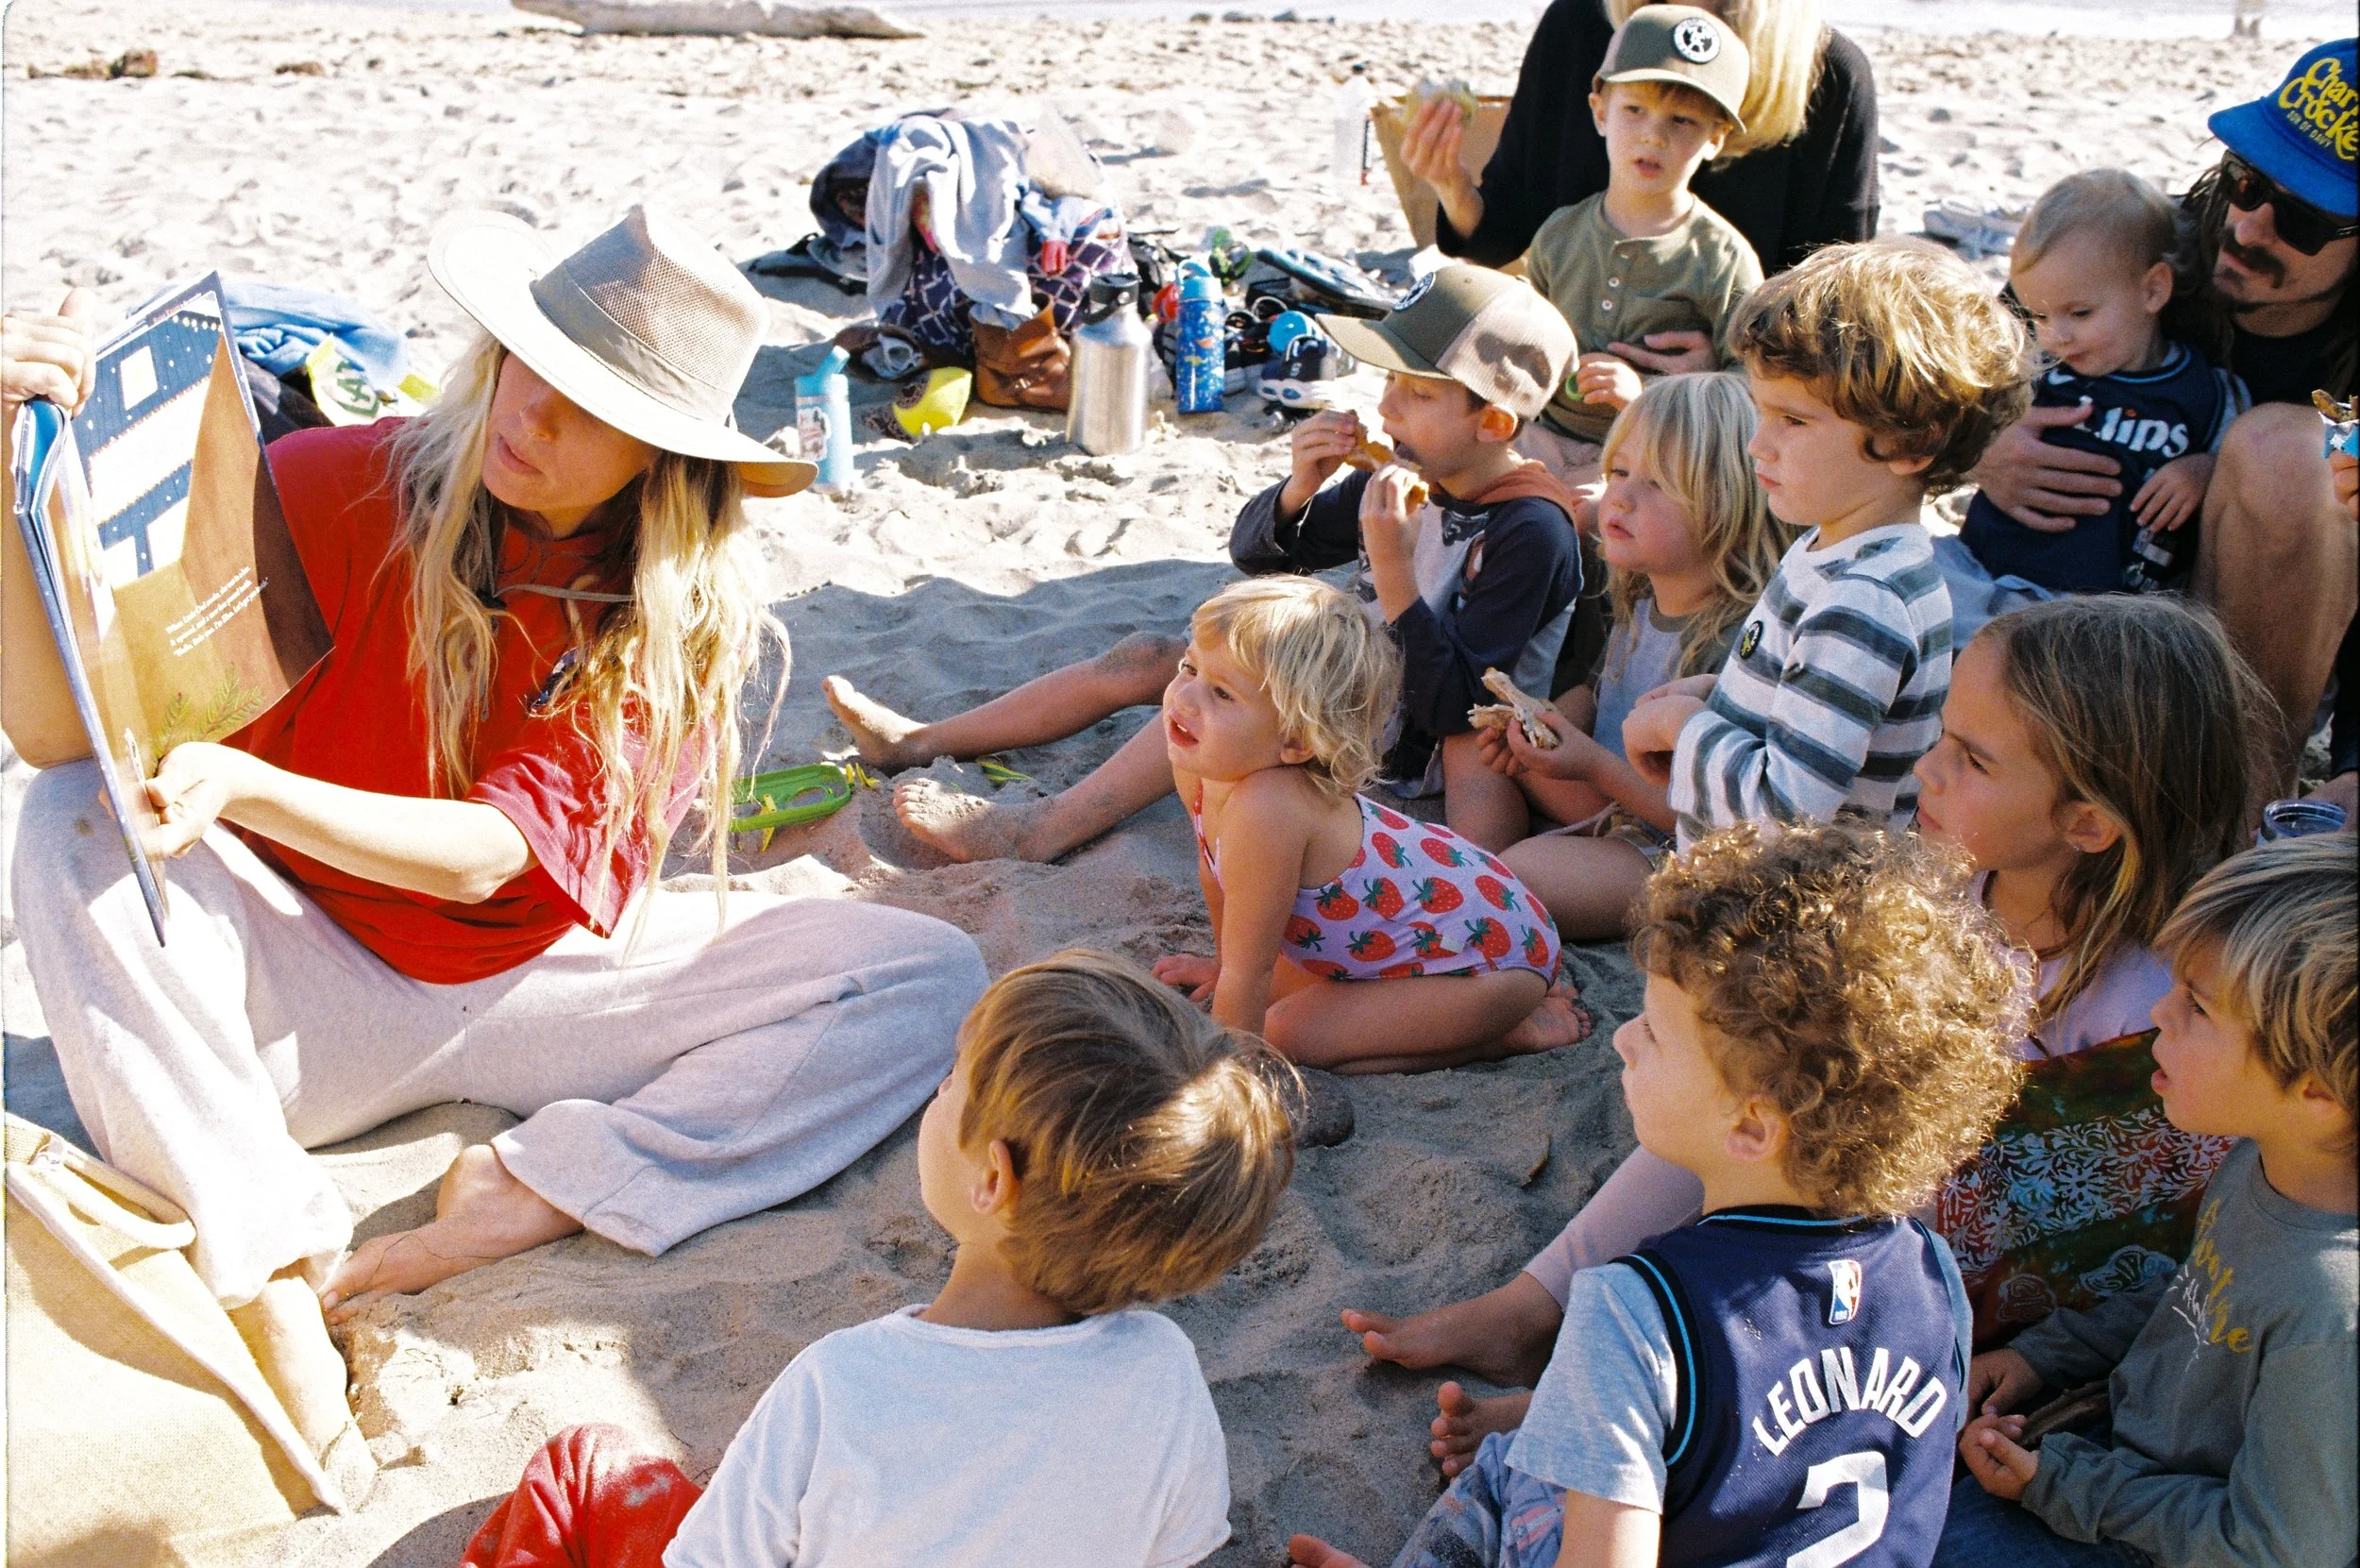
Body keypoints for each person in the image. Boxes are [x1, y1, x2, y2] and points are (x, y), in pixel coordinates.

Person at [1, 211, 988, 1476]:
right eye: (532, 359)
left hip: (537, 987)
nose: (532, 411)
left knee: (923, 975)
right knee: (67, 814)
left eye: (591, 404)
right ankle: (269, 1277)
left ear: (662, 460)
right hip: (294, 989)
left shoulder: (666, 615)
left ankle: (531, 1189)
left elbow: (484, 858)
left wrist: (252, 787)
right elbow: (51, 727)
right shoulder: (328, 481)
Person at [1348, 593, 2268, 1472]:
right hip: (1869, 1216)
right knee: (1738, 1084)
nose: (1927, 772)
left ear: (2089, 820)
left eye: (1972, 759)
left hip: (1961, 1326)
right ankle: (1531, 1305)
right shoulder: (1953, 891)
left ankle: (1636, 1407)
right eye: (1940, 737)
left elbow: (2148, 1226)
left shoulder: (2165, 1001)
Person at [1290, 821, 2024, 1568]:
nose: (1622, 1038)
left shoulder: (1631, 1311)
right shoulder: (1934, 1278)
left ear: (1751, 1124)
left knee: (1505, 1471)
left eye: (1655, 1031)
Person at [459, 951, 1297, 1567]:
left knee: (588, 1467)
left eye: (950, 1082)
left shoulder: (842, 1384)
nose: (936, 1092)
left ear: (992, 1179)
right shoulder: (1166, 1373)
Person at [852, 262, 1586, 860]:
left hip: (1421, 747)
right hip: (1355, 687)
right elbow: (1259, 557)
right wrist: (1301, 489)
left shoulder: (1531, 529)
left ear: (1492, 421)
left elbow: (1455, 705)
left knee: (1211, 687)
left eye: (1417, 393)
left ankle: (1041, 829)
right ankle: (919, 740)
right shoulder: (1400, 469)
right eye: (1388, 381)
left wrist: (1392, 569)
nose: (1388, 408)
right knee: (1149, 655)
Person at [1939, 834, 2357, 1568]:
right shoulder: (2263, 1158)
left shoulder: (2328, 1310)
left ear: (2317, 1091)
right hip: (2107, 1462)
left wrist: (2072, 1484)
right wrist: (2043, 1355)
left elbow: (2282, 1547)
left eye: (2197, 1007)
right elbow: (2202, 1301)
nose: (2160, 1011)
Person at [1969, 40, 2356, 793]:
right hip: (2087, 603)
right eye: (2247, 181)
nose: (2247, 227)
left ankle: (2233, 799)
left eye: (2303, 220)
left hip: (2286, 637)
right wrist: (1984, 440)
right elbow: (1992, 340)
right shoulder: (2156, 247)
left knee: (2287, 450)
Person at [1618, 241, 2029, 847]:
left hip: (1779, 921)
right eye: (1762, 415)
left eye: (1794, 421)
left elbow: (1788, 815)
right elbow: (1814, 715)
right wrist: (1722, 697)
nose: (1759, 445)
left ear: (1909, 444)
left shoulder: (1865, 601)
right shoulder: (1841, 547)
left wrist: (1688, 728)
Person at [1148, 578, 1583, 1073]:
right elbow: (1216, 877)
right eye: (1189, 667)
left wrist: (1221, 1089)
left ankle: (1504, 1033)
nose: (1184, 697)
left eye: (1222, 694)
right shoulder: (1198, 767)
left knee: (1285, 1033)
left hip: (1487, 969)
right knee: (1266, 999)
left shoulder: (1267, 808)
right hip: (1415, 945)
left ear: (1297, 741)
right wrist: (1224, 967)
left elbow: (1250, 979)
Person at [1475, 372, 1792, 939]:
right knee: (1467, 743)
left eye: (1660, 484)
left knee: (1527, 874)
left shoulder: (1737, 641)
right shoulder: (1642, 592)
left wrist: (1591, 765)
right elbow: (1598, 692)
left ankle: (1493, 887)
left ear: (1732, 503)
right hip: (1606, 796)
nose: (1619, 497)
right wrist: (1545, 725)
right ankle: (1474, 869)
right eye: (1619, 471)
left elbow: (1708, 819)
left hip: (1670, 846)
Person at [1940, 170, 2244, 636]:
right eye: (2039, 315)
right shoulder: (2033, 368)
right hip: (1981, 569)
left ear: (2153, 290)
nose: (2056, 335)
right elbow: (1953, 419)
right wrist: (1985, 441)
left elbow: (2242, 471)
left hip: (2102, 612)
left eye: (2079, 313)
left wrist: (2204, 470)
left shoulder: (2206, 392)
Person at [1403, 0, 1877, 290]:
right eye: (1635, 109)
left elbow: (1831, 297)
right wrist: (1452, 186)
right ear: (1600, 104)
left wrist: (1726, 359)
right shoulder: (1580, 26)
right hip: (1574, 372)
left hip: (1735, 401)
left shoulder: (1829, 75)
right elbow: (1504, 235)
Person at [1511, 7, 1765, 488]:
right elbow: (1523, 338)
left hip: (1655, 453)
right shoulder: (1560, 233)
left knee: (1581, 517)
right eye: (1635, 110)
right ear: (1600, 111)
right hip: (1543, 433)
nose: (1654, 135)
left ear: (1716, 137)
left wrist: (1646, 394)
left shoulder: (1723, 258)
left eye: (1683, 120)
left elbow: (1752, 383)